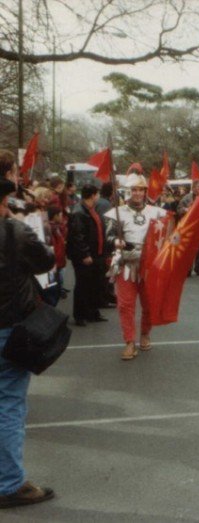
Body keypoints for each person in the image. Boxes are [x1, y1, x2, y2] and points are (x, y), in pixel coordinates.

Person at [0, 175, 56, 509]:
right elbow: (46, 261)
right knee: (8, 404)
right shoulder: (13, 231)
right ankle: (9, 484)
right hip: (8, 327)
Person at [105, 174, 168, 360]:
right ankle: (129, 342)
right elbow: (108, 237)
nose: (137, 193)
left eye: (140, 190)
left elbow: (168, 233)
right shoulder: (116, 212)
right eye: (134, 190)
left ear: (145, 192)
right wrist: (117, 240)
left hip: (150, 265)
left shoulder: (157, 212)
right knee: (125, 304)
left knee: (149, 303)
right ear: (128, 192)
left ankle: (145, 334)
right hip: (126, 263)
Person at [66, 184, 108, 326]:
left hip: (96, 253)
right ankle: (80, 315)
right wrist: (84, 254)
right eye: (97, 194)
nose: (98, 197)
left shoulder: (91, 210)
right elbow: (77, 236)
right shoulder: (79, 212)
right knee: (83, 284)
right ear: (92, 195)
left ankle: (92, 312)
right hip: (85, 255)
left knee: (95, 283)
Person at [177, 179, 199, 276]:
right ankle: (188, 269)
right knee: (189, 248)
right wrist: (186, 209)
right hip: (189, 227)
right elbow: (179, 209)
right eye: (198, 187)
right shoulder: (186, 198)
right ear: (193, 188)